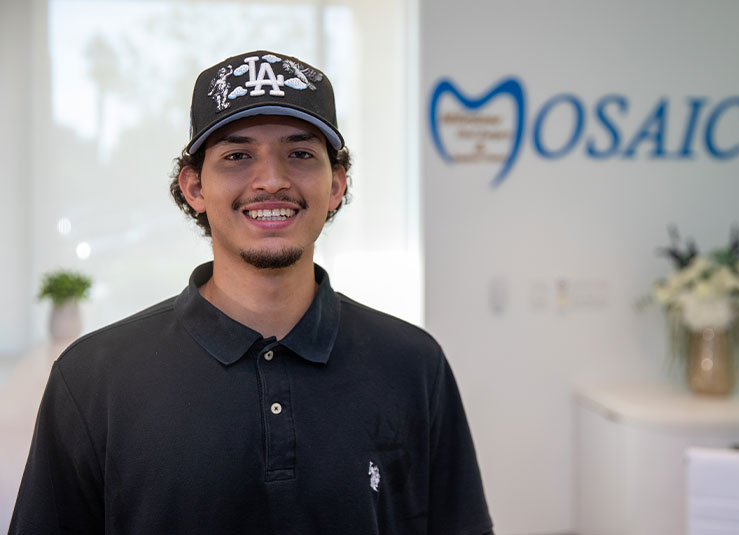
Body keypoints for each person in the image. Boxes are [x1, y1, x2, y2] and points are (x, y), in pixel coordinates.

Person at [10, 50, 493, 535]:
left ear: (337, 184)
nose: (271, 181)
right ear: (195, 187)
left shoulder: (412, 364)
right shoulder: (94, 378)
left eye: (300, 154)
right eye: (237, 156)